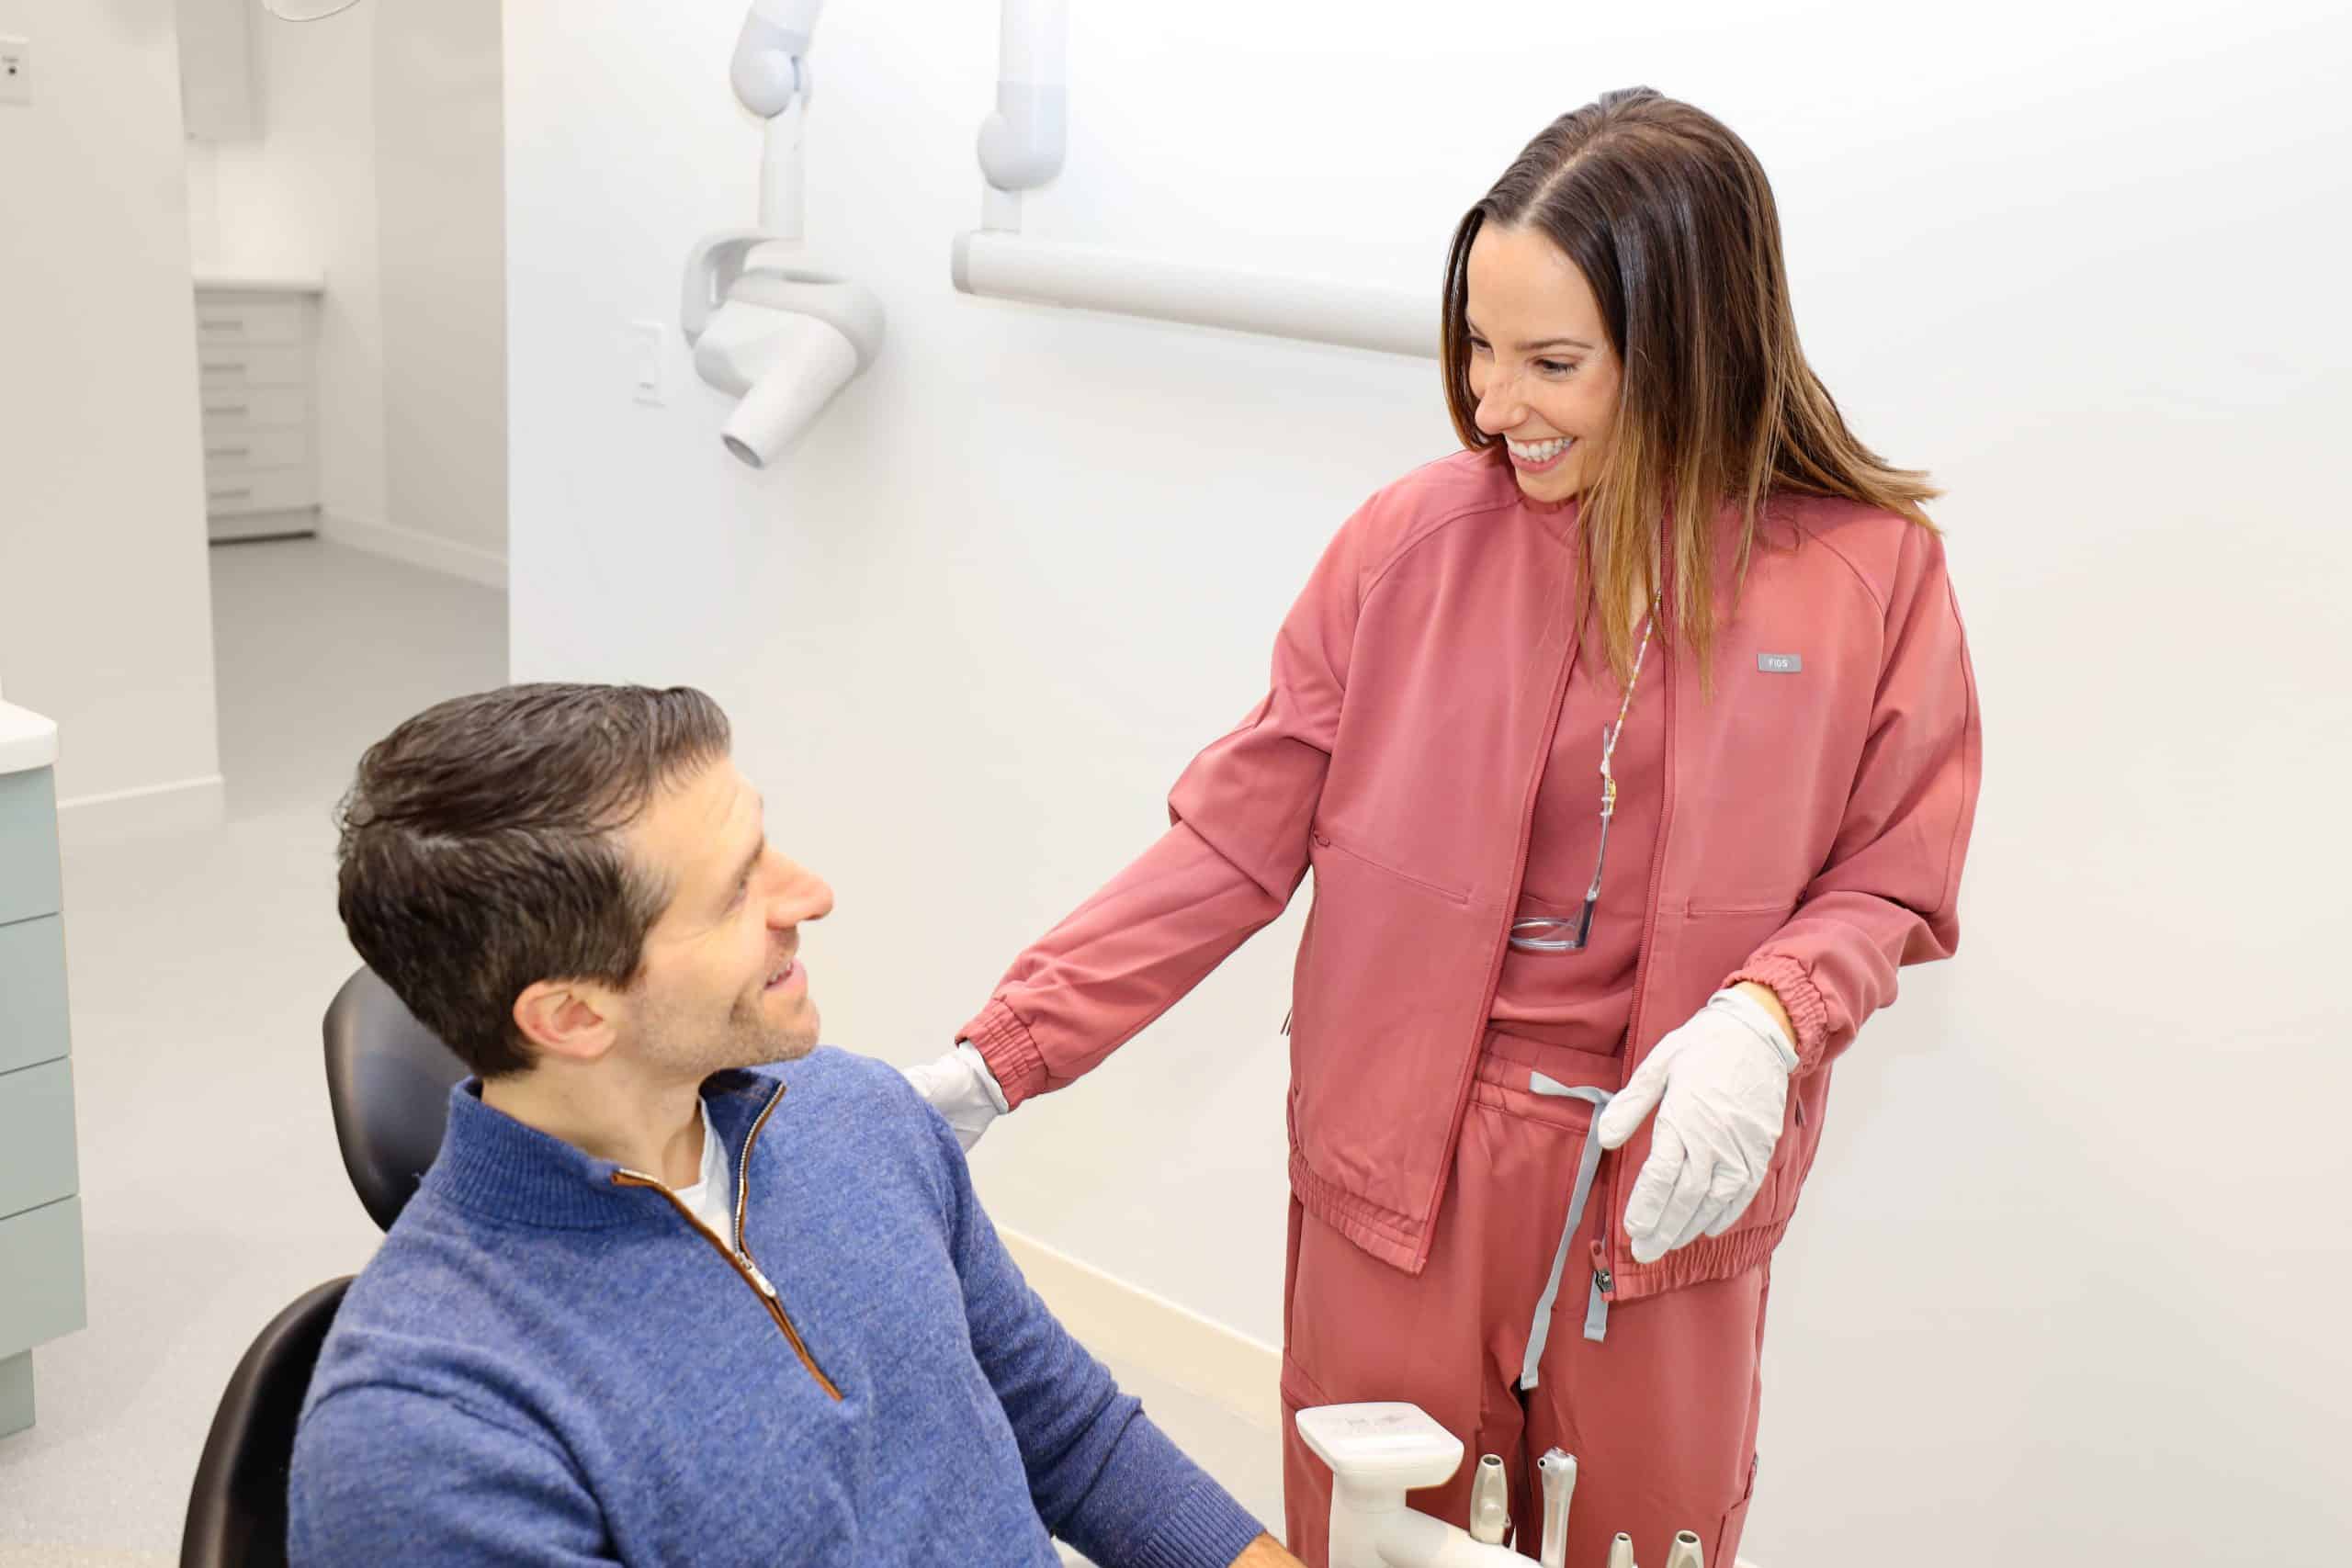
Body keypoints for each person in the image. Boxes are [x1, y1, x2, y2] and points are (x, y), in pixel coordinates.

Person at [905, 86, 1983, 1567]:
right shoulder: (1409, 546)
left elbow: (1894, 875)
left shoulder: (1870, 576)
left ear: (1692, 348)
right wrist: (1005, 1051)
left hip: (1667, 1183)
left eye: (1552, 363)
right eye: (1478, 347)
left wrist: (1770, 1016)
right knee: (1375, 1539)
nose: (1492, 403)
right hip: (1399, 1182)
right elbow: (1229, 842)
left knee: (1643, 1543)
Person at [288, 682, 1302, 1568]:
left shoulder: (859, 1115)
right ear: (572, 1016)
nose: (811, 895)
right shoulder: (427, 1437)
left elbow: (1075, 1439)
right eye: (737, 891)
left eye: (763, 842)